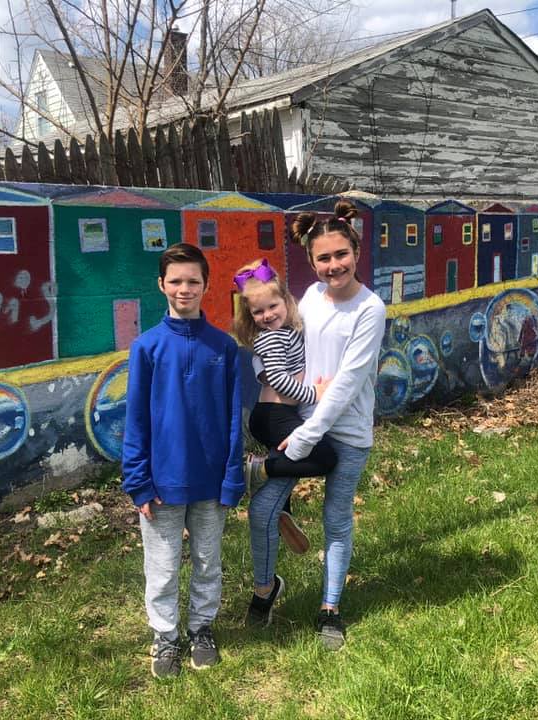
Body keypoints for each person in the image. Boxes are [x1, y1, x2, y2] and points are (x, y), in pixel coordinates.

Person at [245, 200, 386, 650]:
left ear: (355, 251)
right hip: (300, 423)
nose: (333, 265)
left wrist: (305, 435)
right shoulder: (307, 300)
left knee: (336, 519)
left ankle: (330, 608)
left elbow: (346, 383)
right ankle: (266, 590)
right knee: (260, 511)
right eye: (323, 258)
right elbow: (284, 347)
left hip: (345, 434)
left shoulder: (370, 309)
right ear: (311, 261)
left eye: (340, 254)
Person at [121, 242, 245, 678]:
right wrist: (138, 481)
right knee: (163, 563)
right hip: (162, 480)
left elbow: (234, 418)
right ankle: (165, 635)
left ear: (207, 285)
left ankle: (202, 628)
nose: (185, 288)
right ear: (161, 285)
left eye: (193, 280)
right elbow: (135, 418)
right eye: (175, 280)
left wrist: (233, 477)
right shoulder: (147, 348)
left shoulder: (224, 348)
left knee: (209, 560)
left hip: (211, 480)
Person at [231, 258, 337, 555]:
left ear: (286, 302)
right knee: (326, 457)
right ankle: (257, 468)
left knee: (291, 461)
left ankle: (281, 511)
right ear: (250, 317)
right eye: (258, 312)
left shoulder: (287, 332)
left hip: (275, 416)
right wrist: (313, 393)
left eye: (272, 306)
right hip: (274, 415)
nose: (267, 315)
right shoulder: (273, 337)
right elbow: (277, 377)